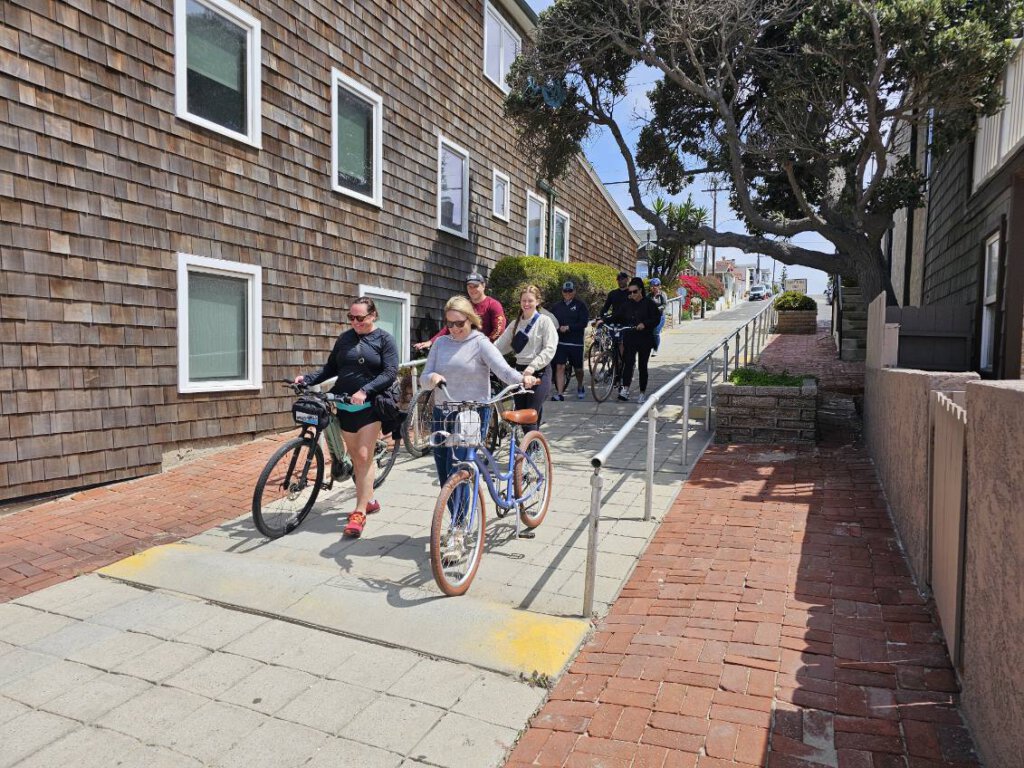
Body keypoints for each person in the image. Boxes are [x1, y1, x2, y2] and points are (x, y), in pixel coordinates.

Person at [295, 296, 398, 538]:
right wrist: (307, 379)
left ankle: (359, 512)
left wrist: (365, 390)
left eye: (360, 318)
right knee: (355, 457)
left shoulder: (384, 340)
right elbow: (330, 369)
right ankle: (369, 499)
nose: (355, 322)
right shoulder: (345, 339)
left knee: (363, 457)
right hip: (344, 404)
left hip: (371, 406)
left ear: (372, 316)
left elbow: (391, 372)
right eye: (351, 318)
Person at [420, 296, 538, 487]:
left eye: (459, 323)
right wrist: (431, 378)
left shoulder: (480, 343)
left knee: (461, 470)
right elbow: (423, 380)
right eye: (449, 323)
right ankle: (453, 514)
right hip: (443, 411)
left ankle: (464, 517)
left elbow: (504, 370)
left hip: (472, 413)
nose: (454, 328)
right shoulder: (440, 344)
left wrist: (522, 379)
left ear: (470, 319)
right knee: (444, 472)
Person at [495, 284, 558, 431]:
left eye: (530, 300)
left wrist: (533, 366)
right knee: (523, 416)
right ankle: (534, 446)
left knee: (529, 416)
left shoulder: (544, 321)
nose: (526, 304)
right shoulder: (515, 324)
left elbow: (550, 348)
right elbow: (499, 346)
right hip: (520, 373)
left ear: (537, 301)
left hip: (540, 372)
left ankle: (532, 450)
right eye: (524, 300)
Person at [414, 272, 506, 350]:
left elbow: (499, 330)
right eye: (469, 286)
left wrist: (484, 345)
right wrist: (431, 342)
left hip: (486, 352)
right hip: (464, 350)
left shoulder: (493, 305)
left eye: (475, 286)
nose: (472, 289)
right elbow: (449, 327)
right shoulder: (464, 305)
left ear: (483, 286)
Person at [611, 278, 661, 403]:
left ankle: (642, 392)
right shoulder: (627, 304)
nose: (632, 294)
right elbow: (617, 316)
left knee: (642, 366)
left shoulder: (649, 303)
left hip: (645, 339)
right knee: (628, 363)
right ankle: (625, 390)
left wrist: (645, 324)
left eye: (635, 292)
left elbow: (656, 318)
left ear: (641, 291)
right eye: (630, 292)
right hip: (630, 337)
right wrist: (603, 320)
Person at [549, 280, 590, 401]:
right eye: (565, 291)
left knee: (578, 369)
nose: (567, 293)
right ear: (562, 292)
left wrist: (569, 327)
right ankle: (560, 393)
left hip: (575, 343)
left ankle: (580, 385)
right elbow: (551, 321)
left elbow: (583, 323)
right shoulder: (556, 306)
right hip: (561, 342)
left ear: (574, 292)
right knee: (560, 366)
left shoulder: (580, 305)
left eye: (570, 291)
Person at [649, 278, 668, 355]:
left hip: (660, 317)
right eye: (653, 285)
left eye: (656, 285)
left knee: (656, 331)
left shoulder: (662, 294)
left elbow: (664, 305)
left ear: (659, 286)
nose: (654, 287)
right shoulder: (649, 295)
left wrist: (657, 309)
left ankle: (655, 349)